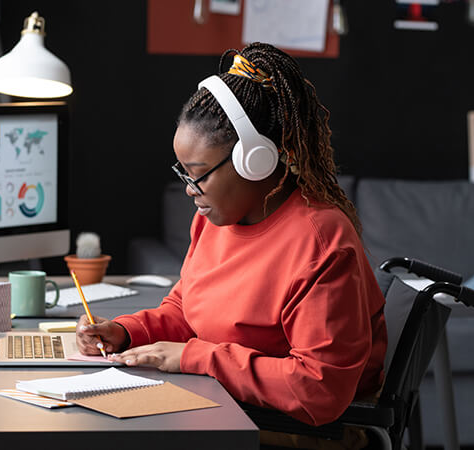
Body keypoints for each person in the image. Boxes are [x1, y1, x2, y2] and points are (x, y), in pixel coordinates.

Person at [77, 42, 386, 447]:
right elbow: (187, 311)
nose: (190, 190)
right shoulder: (211, 221)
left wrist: (194, 358)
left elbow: (319, 391)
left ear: (255, 160)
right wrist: (124, 331)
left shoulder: (321, 241)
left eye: (198, 174)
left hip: (299, 430)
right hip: (227, 404)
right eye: (183, 173)